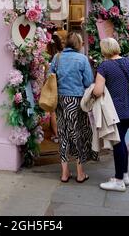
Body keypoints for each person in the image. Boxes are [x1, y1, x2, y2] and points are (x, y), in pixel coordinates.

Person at [93, 38, 129, 192]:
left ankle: (118, 181)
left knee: (118, 144)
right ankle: (124, 175)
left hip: (115, 112)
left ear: (104, 50)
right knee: (122, 143)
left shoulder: (104, 66)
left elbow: (98, 91)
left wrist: (91, 92)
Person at [50, 32, 96, 183]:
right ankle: (80, 173)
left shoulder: (57, 57)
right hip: (76, 100)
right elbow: (89, 82)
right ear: (79, 44)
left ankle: (64, 173)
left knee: (63, 135)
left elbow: (49, 77)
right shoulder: (82, 59)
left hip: (60, 100)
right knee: (77, 135)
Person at [46, 33, 64, 143]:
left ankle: (57, 135)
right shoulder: (62, 56)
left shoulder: (49, 58)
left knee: (53, 112)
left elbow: (48, 75)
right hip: (63, 86)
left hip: (53, 86)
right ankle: (59, 133)